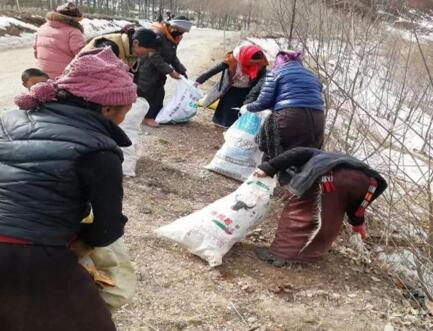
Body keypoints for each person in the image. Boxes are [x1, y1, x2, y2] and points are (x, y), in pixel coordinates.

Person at [3, 47, 136, 330]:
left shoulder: (8, 119)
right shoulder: (98, 150)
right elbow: (108, 228)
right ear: (108, 108)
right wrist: (77, 240)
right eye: (125, 111)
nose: (124, 119)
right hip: (28, 253)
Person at [253, 147, 387, 267]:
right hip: (369, 183)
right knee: (332, 217)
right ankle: (311, 255)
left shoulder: (313, 154)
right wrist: (357, 223)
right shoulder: (347, 162)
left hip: (329, 175)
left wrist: (268, 167)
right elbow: (356, 207)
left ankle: (280, 254)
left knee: (299, 210)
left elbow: (295, 153)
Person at [242, 50, 325, 155]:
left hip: (290, 117)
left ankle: (269, 170)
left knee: (276, 154)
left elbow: (263, 102)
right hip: (318, 119)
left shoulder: (275, 73)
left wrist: (247, 108)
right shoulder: (313, 76)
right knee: (306, 156)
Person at [195, 44, 268, 128]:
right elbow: (216, 69)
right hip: (231, 87)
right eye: (250, 62)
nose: (253, 65)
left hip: (248, 89)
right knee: (226, 107)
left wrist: (253, 95)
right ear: (245, 57)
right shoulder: (232, 59)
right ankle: (221, 123)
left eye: (256, 63)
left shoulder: (261, 62)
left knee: (243, 108)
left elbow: (262, 79)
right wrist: (200, 80)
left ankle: (238, 126)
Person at [138, 16, 192, 127]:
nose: (182, 35)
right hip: (148, 68)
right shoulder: (158, 35)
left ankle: (155, 115)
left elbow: (172, 56)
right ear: (174, 27)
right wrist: (170, 71)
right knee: (148, 93)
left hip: (160, 70)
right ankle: (147, 117)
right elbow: (153, 55)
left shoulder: (174, 37)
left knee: (159, 93)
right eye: (181, 31)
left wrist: (181, 70)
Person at [33, 2, 85, 78]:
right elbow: (81, 56)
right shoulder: (73, 31)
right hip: (64, 76)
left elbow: (35, 52)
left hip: (43, 74)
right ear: (75, 19)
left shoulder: (42, 28)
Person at [84, 26, 160, 72]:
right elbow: (95, 75)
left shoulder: (133, 53)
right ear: (136, 43)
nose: (146, 55)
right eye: (147, 52)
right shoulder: (109, 48)